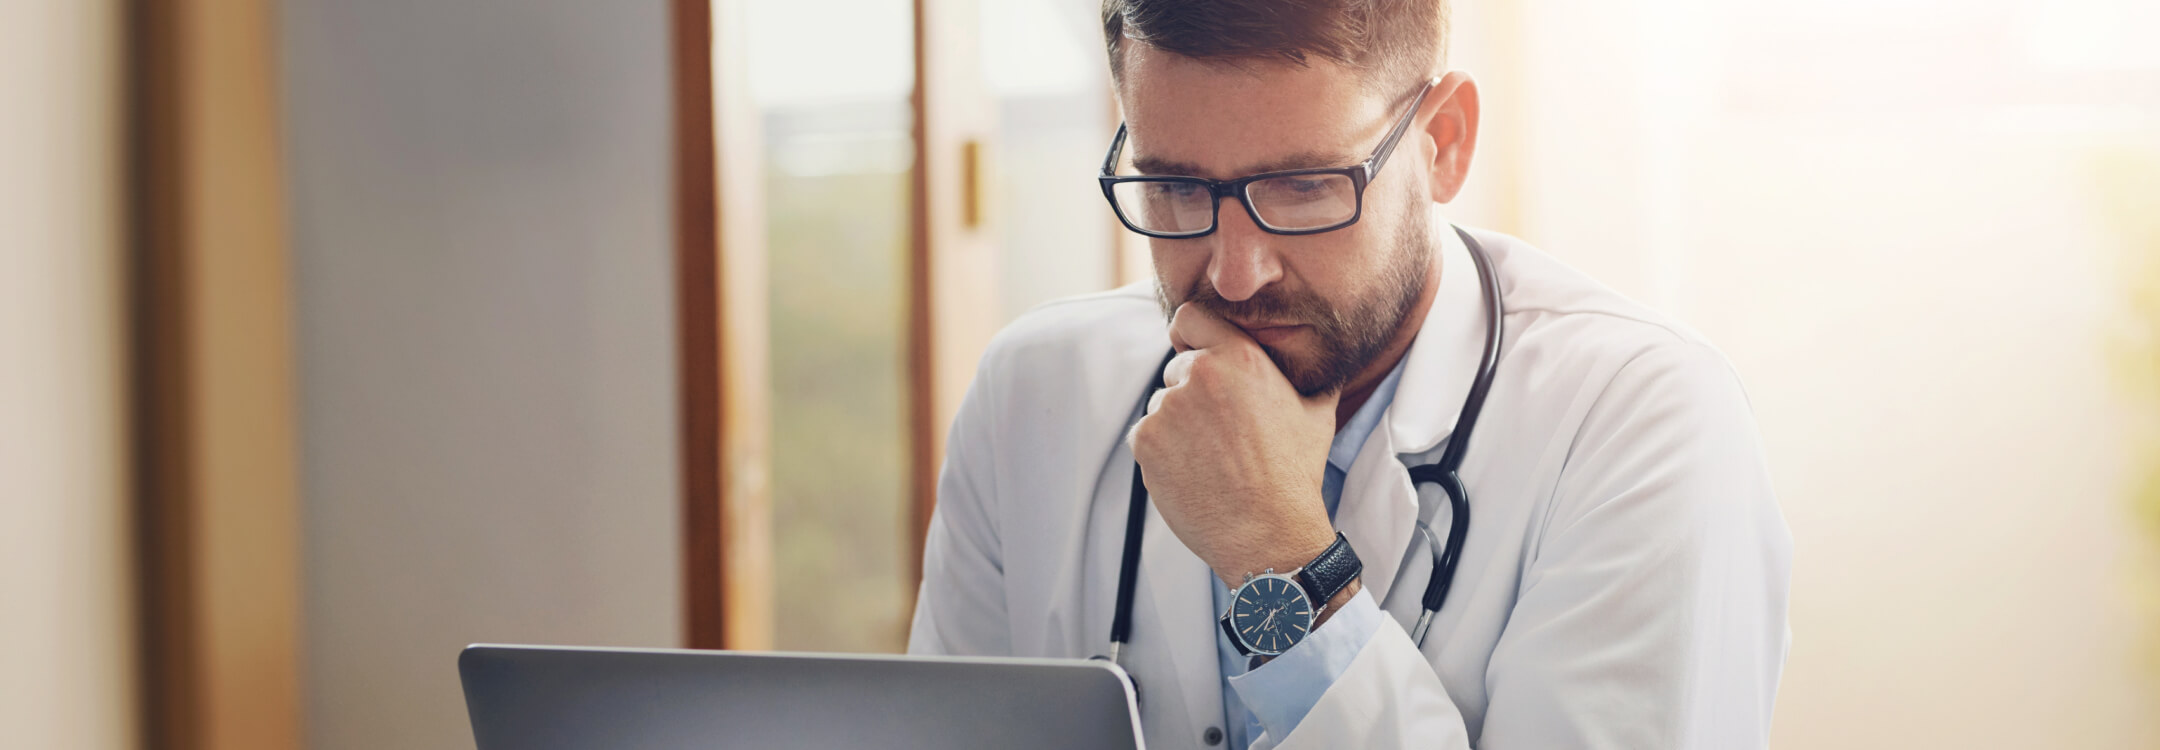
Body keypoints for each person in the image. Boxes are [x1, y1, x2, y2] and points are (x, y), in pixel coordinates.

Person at [908, 1, 1792, 747]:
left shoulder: (1647, 423)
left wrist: (1279, 559)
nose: (1234, 273)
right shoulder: (1033, 393)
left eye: (1301, 188)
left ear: (1442, 143)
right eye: (1176, 191)